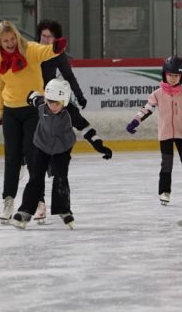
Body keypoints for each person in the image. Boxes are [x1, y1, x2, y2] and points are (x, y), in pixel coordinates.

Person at [0, 20, 67, 223]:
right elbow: (0, 87)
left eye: (12, 38)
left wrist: (56, 47)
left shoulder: (30, 49)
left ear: (16, 35)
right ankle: (8, 201)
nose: (9, 43)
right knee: (12, 159)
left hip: (34, 111)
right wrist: (0, 111)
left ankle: (39, 202)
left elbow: (47, 52)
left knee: (35, 158)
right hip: (10, 113)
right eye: (5, 40)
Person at [11, 79, 112, 229]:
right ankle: (25, 210)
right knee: (36, 178)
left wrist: (99, 145)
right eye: (50, 102)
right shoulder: (42, 105)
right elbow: (32, 96)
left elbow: (86, 129)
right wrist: (31, 95)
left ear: (64, 101)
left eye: (56, 103)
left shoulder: (71, 112)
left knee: (60, 177)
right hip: (41, 145)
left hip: (62, 148)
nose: (52, 106)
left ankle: (64, 210)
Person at [33, 19, 106, 223]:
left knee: (53, 162)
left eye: (49, 36)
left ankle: (58, 204)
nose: (45, 39)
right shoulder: (32, 50)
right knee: (34, 157)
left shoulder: (58, 54)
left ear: (56, 39)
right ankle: (39, 203)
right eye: (43, 35)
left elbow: (69, 76)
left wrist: (79, 96)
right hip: (35, 100)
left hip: (54, 99)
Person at [126, 56, 182, 206]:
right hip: (165, 134)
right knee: (167, 164)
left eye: (176, 75)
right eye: (170, 75)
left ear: (181, 77)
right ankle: (164, 192)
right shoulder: (157, 94)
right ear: (164, 74)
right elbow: (147, 109)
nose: (173, 79)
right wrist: (135, 121)